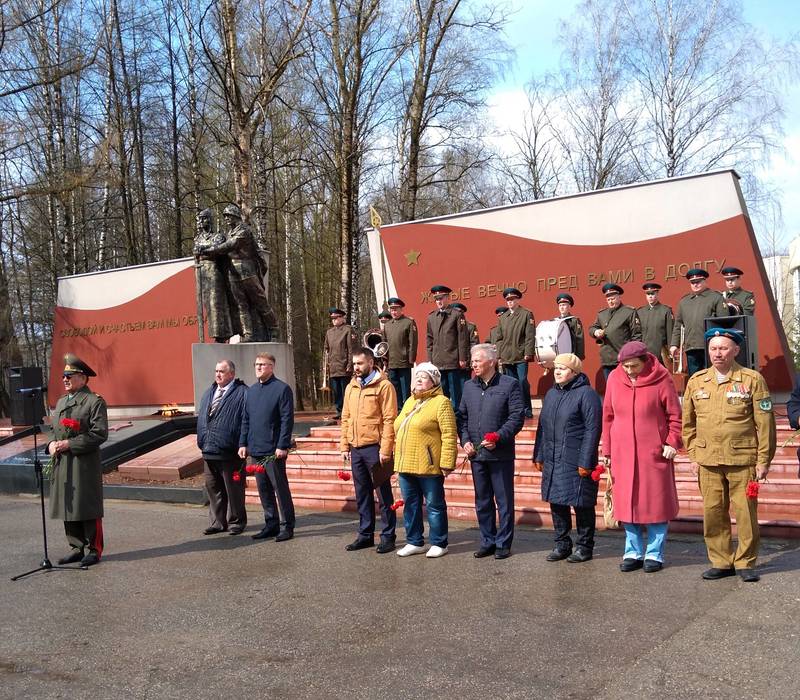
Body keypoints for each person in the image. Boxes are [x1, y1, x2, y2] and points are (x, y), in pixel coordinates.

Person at [682, 328, 776, 582]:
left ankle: (746, 562)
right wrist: (693, 456)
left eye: (723, 348)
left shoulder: (752, 379)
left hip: (742, 460)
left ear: (736, 350)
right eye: (713, 348)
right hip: (708, 460)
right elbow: (688, 424)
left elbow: (765, 424)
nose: (717, 353)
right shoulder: (697, 381)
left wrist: (764, 460)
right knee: (713, 513)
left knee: (745, 513)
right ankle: (721, 561)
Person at [601, 341, 682, 572]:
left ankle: (655, 553)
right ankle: (633, 551)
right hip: (622, 452)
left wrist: (671, 442)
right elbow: (608, 416)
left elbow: (675, 416)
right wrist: (607, 450)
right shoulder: (615, 378)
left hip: (653, 452)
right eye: (625, 366)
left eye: (633, 366)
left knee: (656, 503)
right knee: (627, 503)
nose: (628, 370)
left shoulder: (662, 378)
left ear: (645, 360)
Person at [457, 343, 525, 559]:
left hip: (500, 454)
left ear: (492, 361)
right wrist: (465, 440)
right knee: (482, 500)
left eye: (477, 360)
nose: (473, 364)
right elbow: (463, 417)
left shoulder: (510, 385)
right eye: (473, 361)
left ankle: (503, 543)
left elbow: (516, 417)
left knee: (504, 501)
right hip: (477, 455)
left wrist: (499, 436)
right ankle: (487, 540)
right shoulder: (469, 386)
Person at [533, 353, 602, 563]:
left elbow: (593, 429)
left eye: (562, 369)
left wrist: (586, 461)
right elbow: (542, 427)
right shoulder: (552, 394)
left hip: (576, 459)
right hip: (553, 459)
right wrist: (539, 454)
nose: (558, 372)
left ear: (574, 372)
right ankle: (562, 544)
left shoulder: (586, 394)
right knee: (557, 502)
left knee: (581, 504)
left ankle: (584, 546)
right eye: (556, 369)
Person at [48, 354, 109, 567]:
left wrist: (69, 445)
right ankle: (76, 547)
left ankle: (94, 549)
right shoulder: (61, 401)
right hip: (63, 463)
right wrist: (51, 444)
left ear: (82, 379)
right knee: (69, 503)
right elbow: (54, 430)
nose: (64, 379)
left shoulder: (94, 401)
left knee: (87, 504)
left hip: (83, 464)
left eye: (69, 375)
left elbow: (99, 433)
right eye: (64, 376)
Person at [393, 363, 457, 558]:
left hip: (428, 464)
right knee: (410, 505)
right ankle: (414, 541)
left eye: (424, 377)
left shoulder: (442, 402)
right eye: (417, 376)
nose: (419, 380)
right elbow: (398, 426)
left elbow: (449, 434)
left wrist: (447, 462)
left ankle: (439, 542)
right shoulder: (410, 401)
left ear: (434, 382)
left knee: (434, 505)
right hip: (405, 463)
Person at [339, 347, 398, 553]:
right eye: (354, 364)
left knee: (383, 495)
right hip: (356, 448)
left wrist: (386, 449)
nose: (356, 367)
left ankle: (388, 536)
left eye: (360, 363)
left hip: (375, 448)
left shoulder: (384, 386)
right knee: (362, 494)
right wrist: (344, 444)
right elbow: (346, 418)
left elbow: (390, 419)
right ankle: (365, 535)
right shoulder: (351, 387)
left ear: (371, 363)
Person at [197, 203, 277, 341]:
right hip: (233, 272)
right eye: (225, 217)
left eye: (228, 216)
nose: (226, 219)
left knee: (259, 301)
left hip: (247, 270)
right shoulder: (230, 232)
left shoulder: (243, 230)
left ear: (235, 216)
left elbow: (230, 245)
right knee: (240, 304)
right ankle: (248, 334)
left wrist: (207, 250)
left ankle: (274, 328)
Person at [239, 353, 296, 542]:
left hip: (273, 450)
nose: (258, 367)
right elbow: (246, 420)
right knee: (263, 489)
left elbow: (287, 419)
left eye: (263, 364)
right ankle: (270, 524)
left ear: (272, 367)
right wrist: (243, 443)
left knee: (280, 488)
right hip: (256, 449)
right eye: (256, 364)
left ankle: (287, 526)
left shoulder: (282, 389)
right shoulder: (251, 391)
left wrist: (282, 445)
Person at [196, 359, 248, 535]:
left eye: (222, 371)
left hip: (229, 451)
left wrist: (243, 443)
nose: (218, 374)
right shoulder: (209, 392)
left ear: (231, 374)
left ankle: (237, 522)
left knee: (233, 489)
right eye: (216, 371)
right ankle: (218, 522)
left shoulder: (242, 393)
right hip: (209, 450)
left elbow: (245, 421)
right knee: (213, 488)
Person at [193, 208, 240, 342]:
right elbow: (195, 252)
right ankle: (213, 334)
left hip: (214, 270)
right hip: (201, 271)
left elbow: (219, 249)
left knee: (216, 302)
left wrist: (204, 250)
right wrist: (202, 252)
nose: (201, 222)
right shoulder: (198, 238)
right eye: (200, 219)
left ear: (210, 219)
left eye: (204, 218)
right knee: (207, 304)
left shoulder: (218, 236)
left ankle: (221, 334)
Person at [670, 268, 727, 377]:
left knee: (713, 377)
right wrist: (674, 344)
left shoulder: (715, 297)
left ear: (705, 281)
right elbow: (678, 325)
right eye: (692, 282)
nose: (695, 285)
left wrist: (721, 344)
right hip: (692, 347)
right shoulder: (684, 302)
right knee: (695, 378)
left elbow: (724, 322)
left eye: (698, 282)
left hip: (711, 346)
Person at [426, 284, 470, 410]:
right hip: (438, 361)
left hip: (452, 359)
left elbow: (462, 339)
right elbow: (429, 339)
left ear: (447, 298)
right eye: (436, 299)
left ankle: (457, 417)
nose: (439, 301)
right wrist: (430, 359)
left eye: (441, 298)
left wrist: (462, 358)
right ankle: (445, 415)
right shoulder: (431, 317)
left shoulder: (456, 315)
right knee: (442, 392)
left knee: (455, 392)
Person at [495, 287, 535, 419]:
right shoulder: (503, 317)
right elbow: (499, 338)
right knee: (511, 384)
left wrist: (528, 353)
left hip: (521, 355)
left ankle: (526, 408)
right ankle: (515, 409)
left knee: (522, 381)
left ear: (517, 299)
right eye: (508, 300)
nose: (510, 302)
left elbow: (530, 335)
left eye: (512, 299)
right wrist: (500, 354)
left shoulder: (526, 314)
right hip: (507, 356)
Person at [589, 283, 642, 379]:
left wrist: (633, 356)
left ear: (619, 297)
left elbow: (636, 336)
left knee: (626, 389)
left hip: (624, 360)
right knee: (611, 390)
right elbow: (592, 328)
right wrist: (596, 332)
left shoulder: (629, 312)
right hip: (607, 359)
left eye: (613, 298)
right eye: (608, 300)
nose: (610, 302)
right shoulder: (602, 314)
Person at [381, 296, 418, 407]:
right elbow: (384, 343)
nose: (394, 312)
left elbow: (413, 342)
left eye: (396, 309)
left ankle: (407, 407)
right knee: (394, 387)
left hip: (404, 361)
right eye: (392, 309)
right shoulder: (387, 325)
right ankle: (398, 408)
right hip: (392, 361)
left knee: (405, 387)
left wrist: (411, 358)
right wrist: (384, 358)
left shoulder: (408, 322)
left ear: (401, 309)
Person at [324, 307, 358, 419]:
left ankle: (348, 411)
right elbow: (327, 349)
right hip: (334, 366)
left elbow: (351, 349)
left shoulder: (348, 330)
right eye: (332, 318)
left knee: (346, 391)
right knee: (337, 391)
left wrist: (350, 364)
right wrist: (326, 365)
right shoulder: (329, 332)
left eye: (336, 318)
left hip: (344, 366)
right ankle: (339, 411)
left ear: (342, 318)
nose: (334, 320)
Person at [637, 283, 674, 364]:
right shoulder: (640, 312)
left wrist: (671, 350)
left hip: (660, 352)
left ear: (657, 294)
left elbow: (670, 332)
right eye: (648, 294)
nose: (650, 296)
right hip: (644, 353)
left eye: (652, 294)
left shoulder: (665, 310)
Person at [555, 293, 585, 360]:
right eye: (560, 305)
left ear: (569, 306)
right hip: (559, 354)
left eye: (564, 305)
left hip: (571, 354)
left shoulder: (574, 320)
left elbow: (579, 339)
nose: (562, 307)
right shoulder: (555, 321)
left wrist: (579, 357)